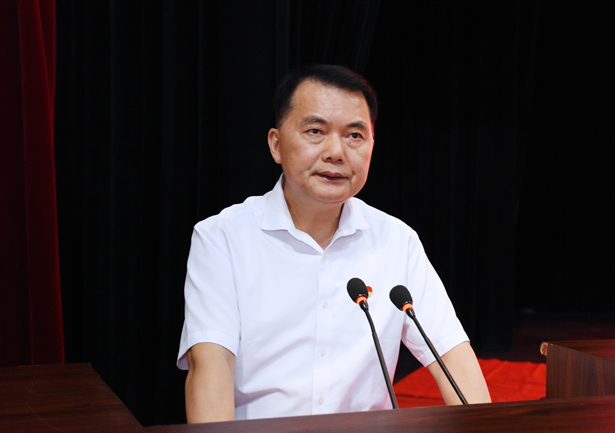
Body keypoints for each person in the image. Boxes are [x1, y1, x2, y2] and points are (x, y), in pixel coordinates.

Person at [177, 64, 491, 423]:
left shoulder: (396, 240)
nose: (336, 152)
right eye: (315, 131)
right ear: (276, 145)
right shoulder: (222, 238)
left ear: (372, 146)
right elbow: (211, 362)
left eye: (354, 135)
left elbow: (450, 353)